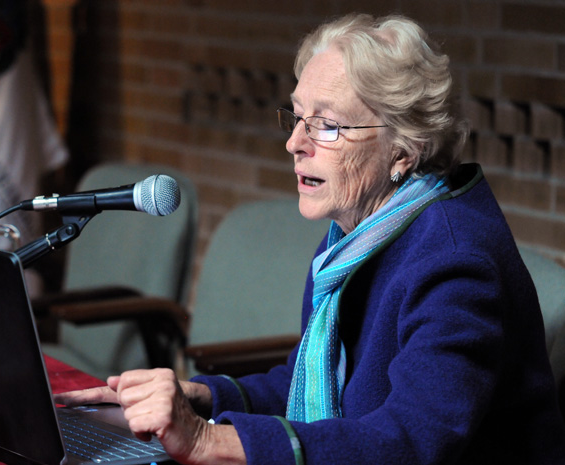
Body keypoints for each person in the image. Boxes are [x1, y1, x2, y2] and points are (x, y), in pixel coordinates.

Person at [55, 13, 565, 464]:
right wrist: (202, 398)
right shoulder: (353, 237)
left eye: (327, 125)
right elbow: (327, 389)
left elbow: (411, 442)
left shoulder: (455, 264)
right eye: (298, 116)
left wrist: (210, 442)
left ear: (403, 151)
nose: (294, 143)